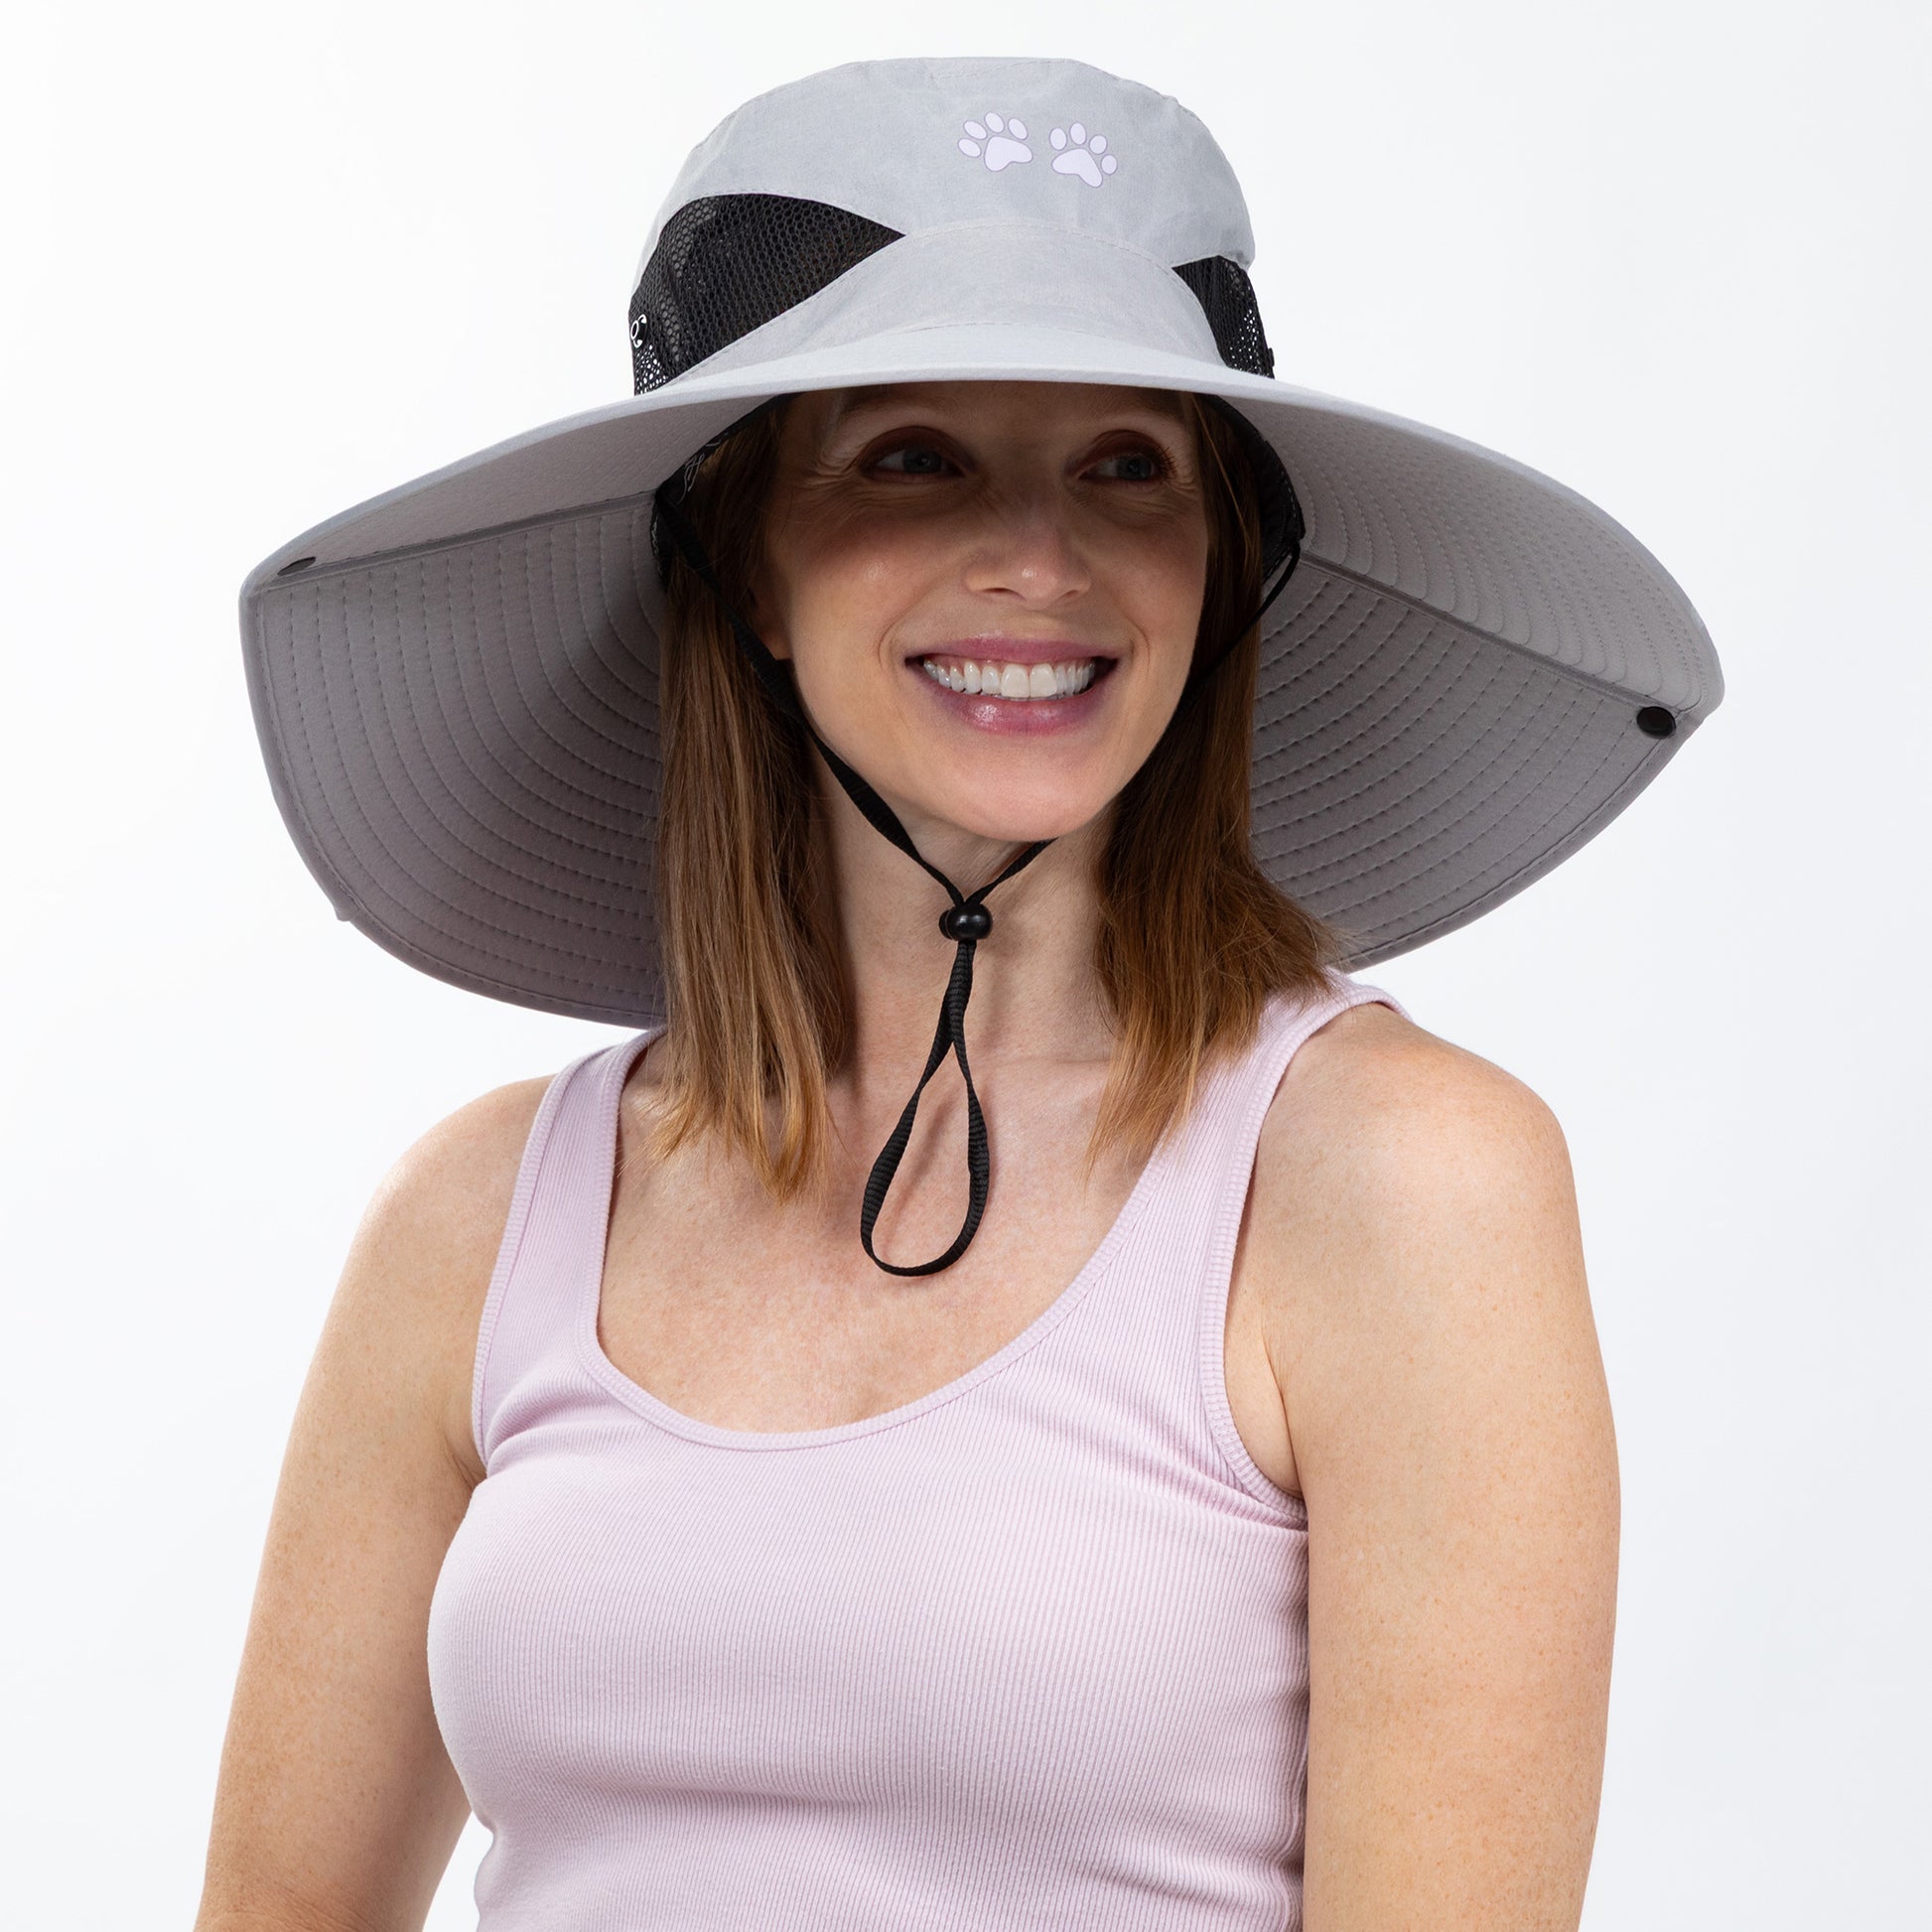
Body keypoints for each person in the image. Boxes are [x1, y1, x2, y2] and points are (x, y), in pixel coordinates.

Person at [199, 56, 1721, 1932]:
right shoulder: (481, 1214)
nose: (1040, 560)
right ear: (744, 564)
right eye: (912, 455)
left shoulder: (1399, 1182)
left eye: (1128, 466)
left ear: (1217, 563)